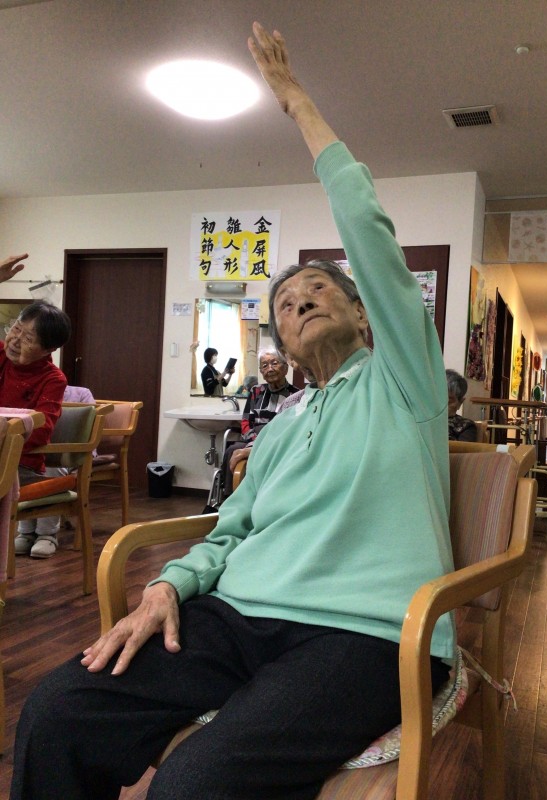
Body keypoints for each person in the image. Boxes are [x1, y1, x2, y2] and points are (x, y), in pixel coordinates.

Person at [11, 23, 455, 800]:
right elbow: (231, 531)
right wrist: (168, 586)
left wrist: (295, 101)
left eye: (319, 289)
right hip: (235, 615)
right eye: (285, 303)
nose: (300, 301)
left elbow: (367, 231)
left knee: (194, 783)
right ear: (278, 340)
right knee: (55, 712)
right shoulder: (282, 425)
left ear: (365, 312)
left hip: (366, 632)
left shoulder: (403, 386)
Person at [2, 301, 72, 558]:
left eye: (28, 338)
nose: (15, 340)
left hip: (23, 464)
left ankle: (44, 534)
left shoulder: (53, 379)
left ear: (48, 349)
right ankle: (25, 534)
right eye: (16, 329)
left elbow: (42, 430)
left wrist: (6, 433)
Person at [221, 348, 300, 498]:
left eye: (274, 363)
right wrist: (254, 443)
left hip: (279, 445)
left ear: (285, 367)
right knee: (232, 450)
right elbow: (246, 423)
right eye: (264, 365)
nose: (269, 369)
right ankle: (229, 500)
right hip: (254, 440)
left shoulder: (296, 395)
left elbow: (293, 430)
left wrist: (262, 447)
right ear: (261, 372)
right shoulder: (256, 391)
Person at [446, 368, 477, 442]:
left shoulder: (466, 426)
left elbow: (463, 448)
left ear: (460, 402)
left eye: (449, 401)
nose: (442, 406)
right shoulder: (422, 420)